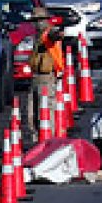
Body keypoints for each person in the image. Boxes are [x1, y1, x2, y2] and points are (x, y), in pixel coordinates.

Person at [26, 7, 65, 139]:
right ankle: (38, 139)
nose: (38, 23)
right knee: (32, 113)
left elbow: (54, 35)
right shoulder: (38, 36)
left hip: (47, 77)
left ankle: (48, 142)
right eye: (35, 21)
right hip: (36, 77)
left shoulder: (48, 33)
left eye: (40, 20)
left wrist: (58, 33)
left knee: (46, 111)